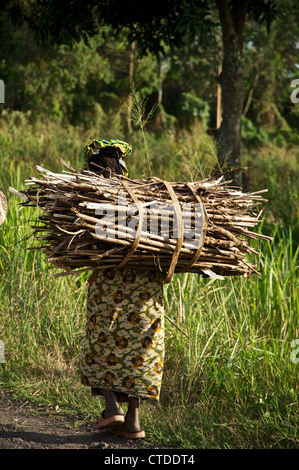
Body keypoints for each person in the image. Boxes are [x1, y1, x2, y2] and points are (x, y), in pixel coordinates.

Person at [80, 139, 165, 439]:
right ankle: (132, 421)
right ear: (122, 168)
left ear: (91, 168)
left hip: (108, 288)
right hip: (147, 291)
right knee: (140, 348)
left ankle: (111, 405)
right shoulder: (146, 201)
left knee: (103, 341)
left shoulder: (89, 201)